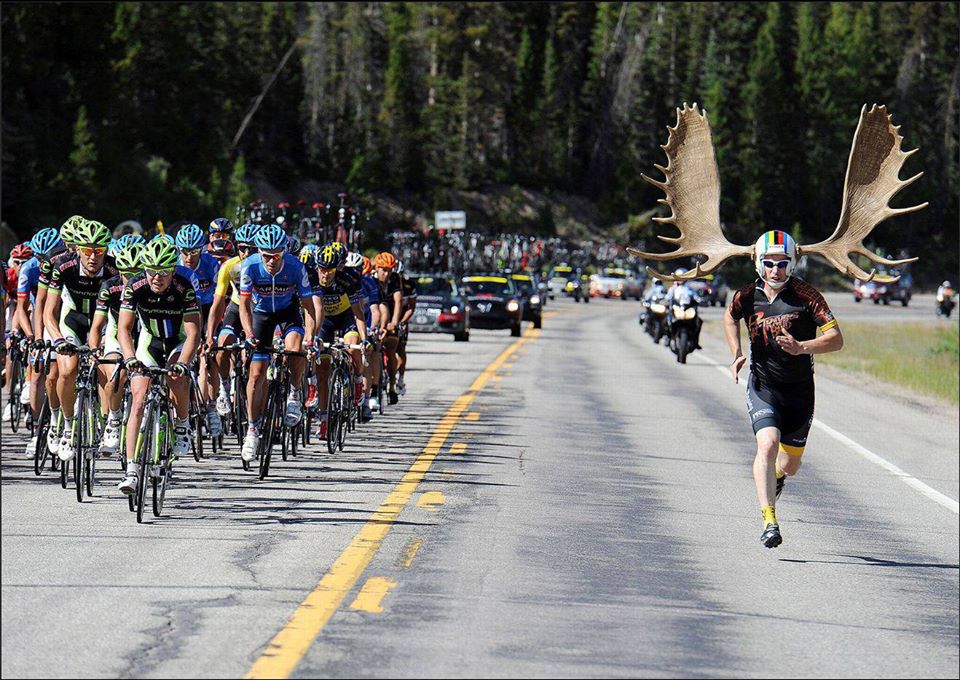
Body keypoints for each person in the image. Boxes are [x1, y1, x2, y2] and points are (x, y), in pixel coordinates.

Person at [723, 230, 843, 548]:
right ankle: (769, 521)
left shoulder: (807, 296)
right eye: (769, 263)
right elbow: (729, 316)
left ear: (792, 264)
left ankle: (778, 477)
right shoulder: (747, 296)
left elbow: (836, 339)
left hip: (800, 392)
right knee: (767, 444)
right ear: (758, 264)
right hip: (764, 386)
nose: (775, 270)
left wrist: (802, 347)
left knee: (790, 465)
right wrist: (736, 352)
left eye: (782, 263)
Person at [116, 239, 201, 493]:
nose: (157, 277)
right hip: (149, 343)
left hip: (177, 342)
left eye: (164, 271)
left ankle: (182, 424)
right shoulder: (135, 286)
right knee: (139, 398)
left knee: (176, 377)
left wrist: (184, 364)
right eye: (152, 270)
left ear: (173, 270)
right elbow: (124, 328)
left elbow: (194, 332)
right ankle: (131, 470)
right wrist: (130, 358)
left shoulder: (183, 286)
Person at [238, 224, 316, 462]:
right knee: (256, 375)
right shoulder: (249, 265)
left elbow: (309, 307)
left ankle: (294, 393)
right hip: (261, 315)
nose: (271, 260)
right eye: (266, 256)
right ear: (259, 252)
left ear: (284, 252)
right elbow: (243, 305)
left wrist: (310, 339)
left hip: (288, 312)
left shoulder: (295, 267)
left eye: (276, 255)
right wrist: (250, 335)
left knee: (295, 349)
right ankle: (252, 430)